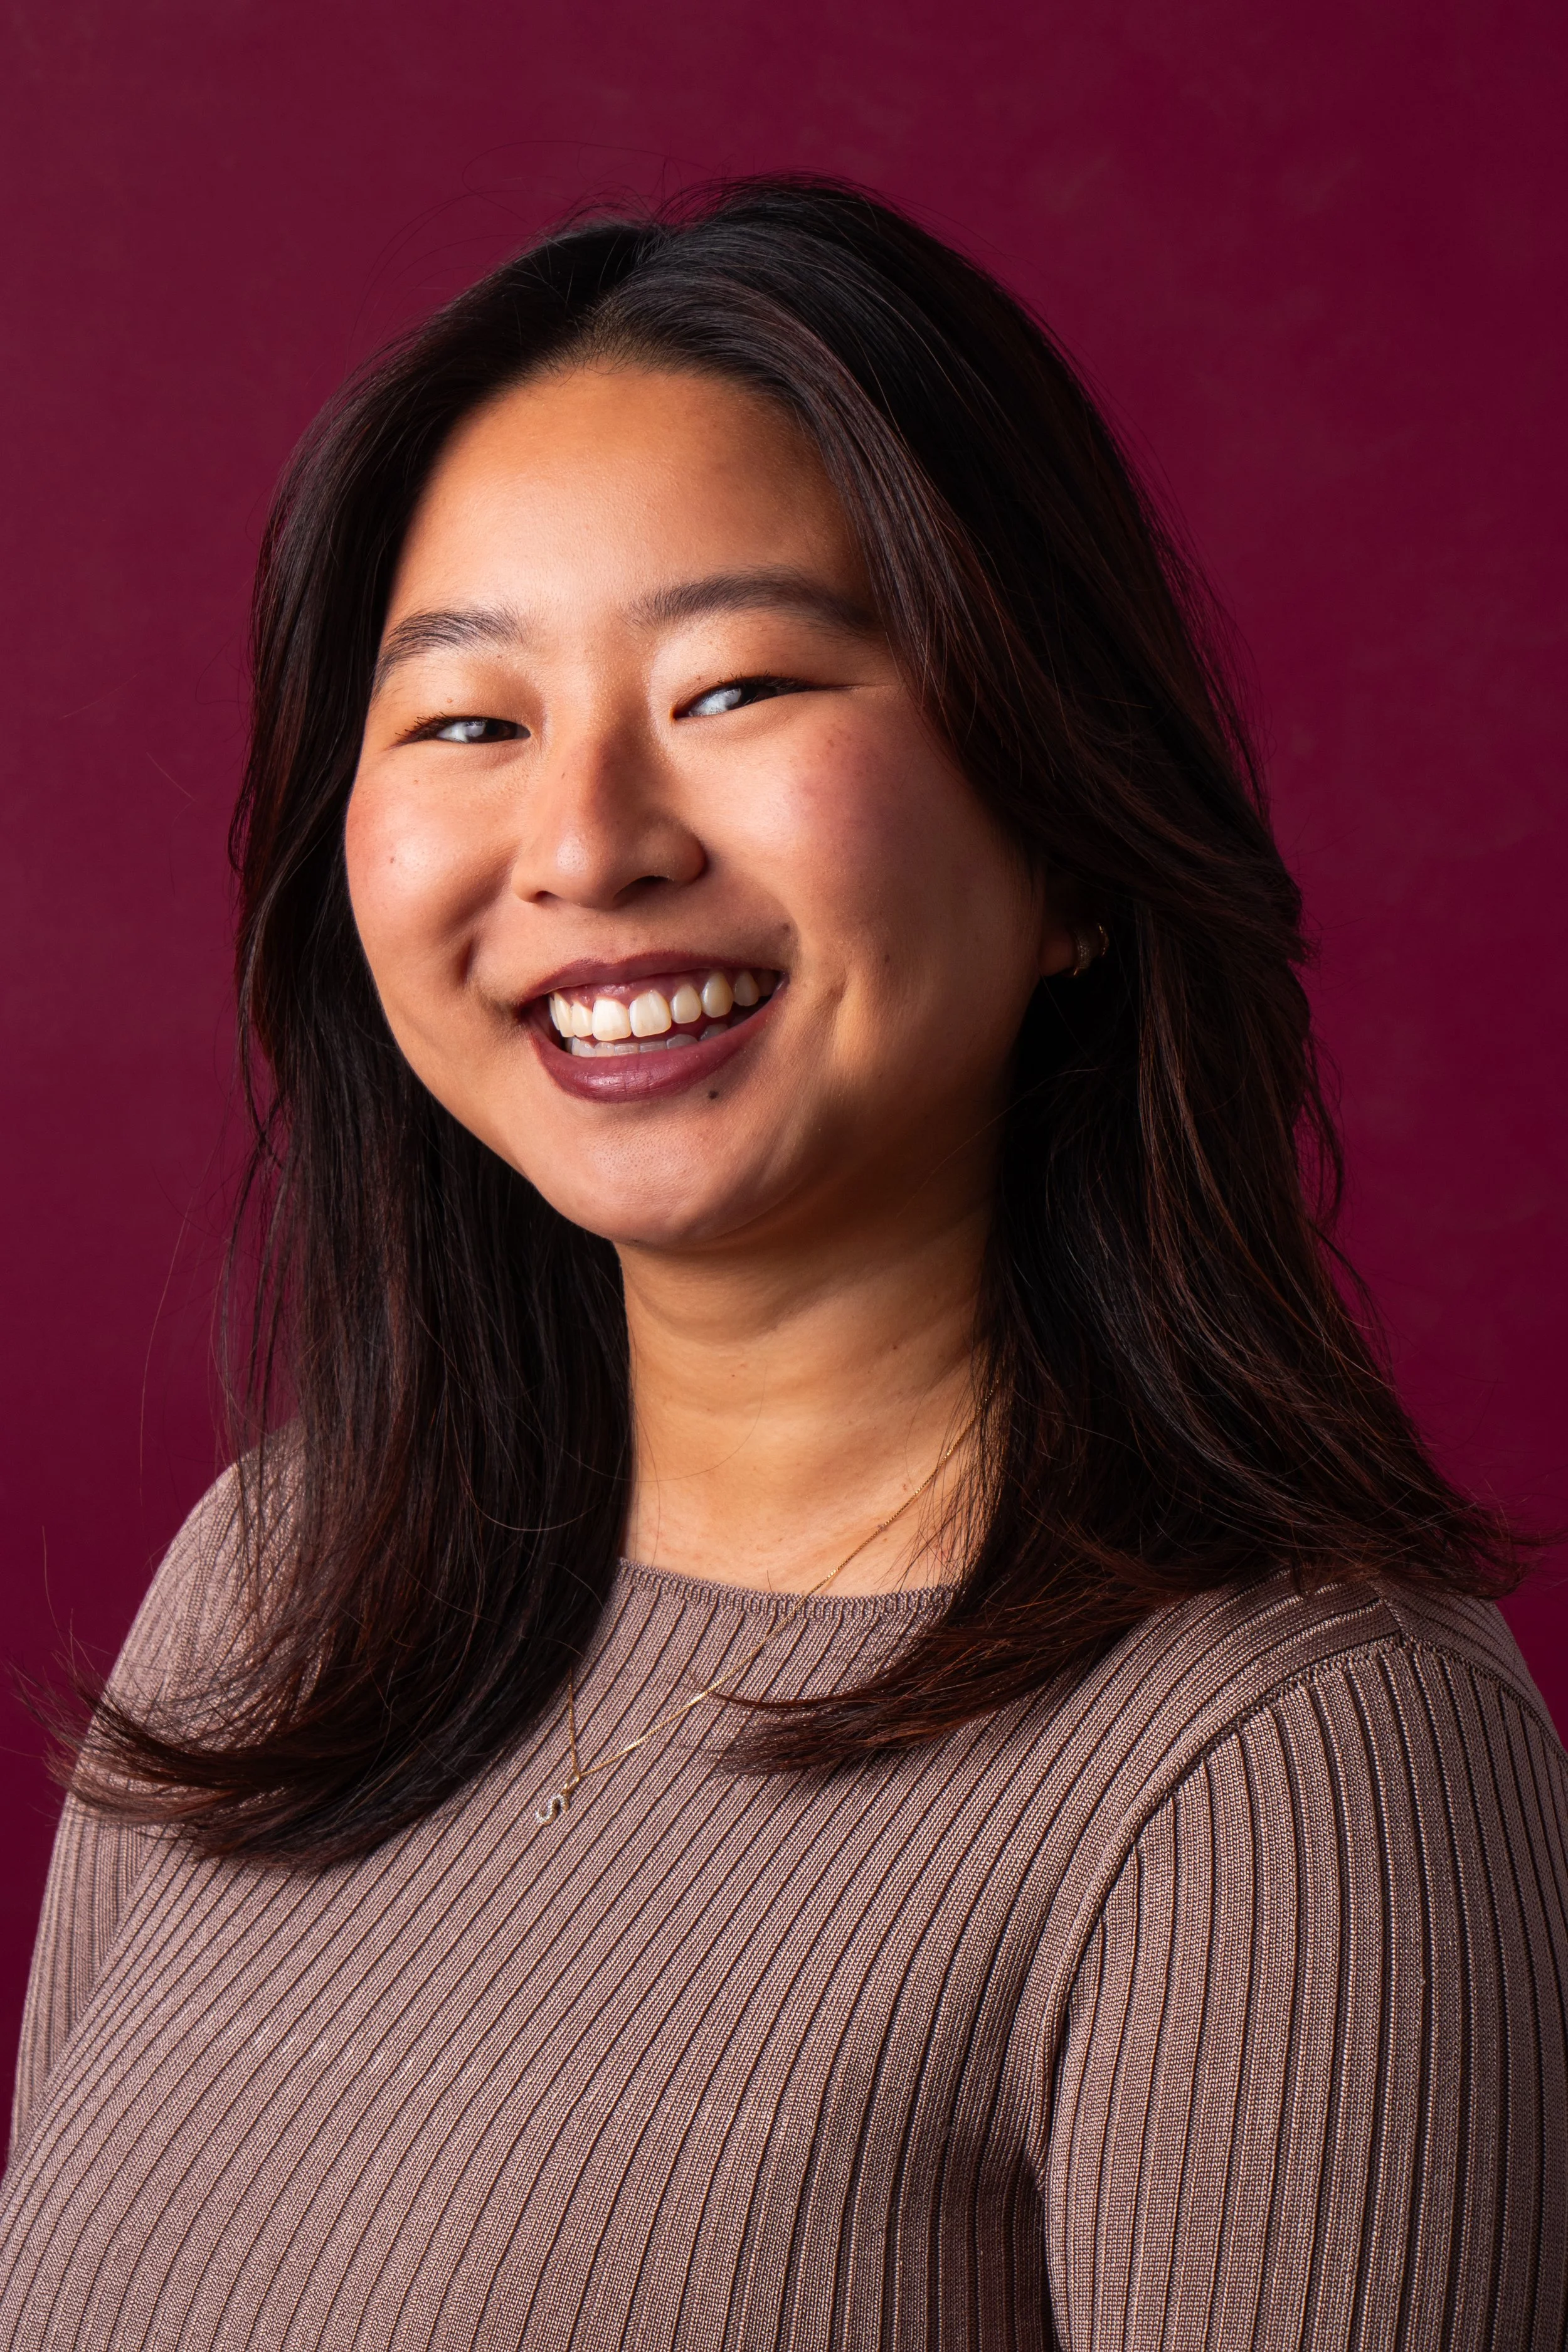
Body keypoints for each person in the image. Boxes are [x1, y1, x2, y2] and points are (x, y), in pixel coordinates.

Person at [1, 177, 1562, 2351]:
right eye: (467, 721)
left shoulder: (1285, 1765)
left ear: (1072, 843)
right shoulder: (277, 1581)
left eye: (735, 685)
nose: (583, 843)